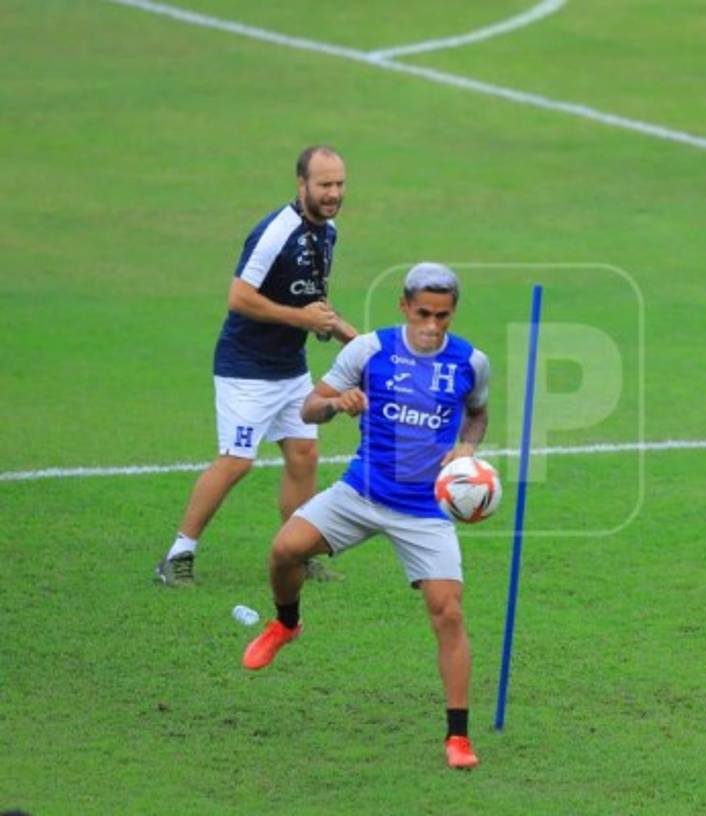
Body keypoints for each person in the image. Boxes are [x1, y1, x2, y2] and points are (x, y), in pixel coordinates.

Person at [240, 263, 490, 770]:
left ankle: (458, 738)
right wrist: (337, 404)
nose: (433, 324)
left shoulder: (471, 361)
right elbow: (309, 408)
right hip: (362, 492)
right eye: (423, 312)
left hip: (425, 508)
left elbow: (478, 413)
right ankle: (287, 624)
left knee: (449, 612)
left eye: (443, 315)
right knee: (284, 550)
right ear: (404, 306)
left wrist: (466, 447)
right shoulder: (369, 351)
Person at [155, 146, 357, 587]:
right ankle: (177, 555)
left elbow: (311, 300)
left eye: (339, 184)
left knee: (304, 455)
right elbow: (239, 297)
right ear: (301, 184)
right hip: (245, 369)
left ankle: (296, 554)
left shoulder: (327, 232)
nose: (333, 193)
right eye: (324, 184)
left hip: (291, 367)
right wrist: (302, 319)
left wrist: (350, 337)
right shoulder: (274, 232)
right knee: (236, 462)